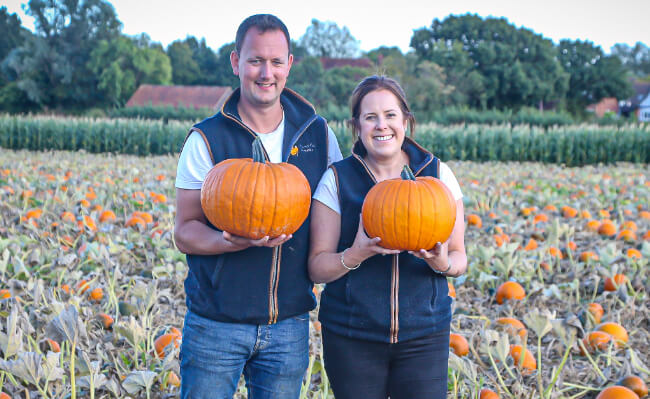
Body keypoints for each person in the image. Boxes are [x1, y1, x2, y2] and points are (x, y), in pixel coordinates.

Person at [173, 14, 342, 399]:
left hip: (289, 324)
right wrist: (227, 241)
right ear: (236, 62)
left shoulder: (317, 134)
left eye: (276, 62)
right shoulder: (207, 139)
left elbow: (335, 213)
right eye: (255, 61)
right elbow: (184, 231)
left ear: (289, 65)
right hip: (216, 324)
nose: (266, 72)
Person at [308, 75, 467, 399]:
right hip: (351, 336)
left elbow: (460, 257)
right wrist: (355, 254)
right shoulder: (338, 179)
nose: (382, 125)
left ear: (406, 120)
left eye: (391, 115)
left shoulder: (438, 176)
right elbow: (316, 267)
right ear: (357, 126)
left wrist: (442, 263)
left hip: (424, 335)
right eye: (370, 117)